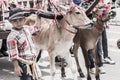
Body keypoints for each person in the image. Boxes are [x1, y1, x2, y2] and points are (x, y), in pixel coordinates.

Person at [7, 8, 40, 80]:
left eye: (20, 20)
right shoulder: (12, 37)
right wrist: (16, 67)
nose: (18, 23)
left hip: (32, 62)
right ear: (11, 22)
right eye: (15, 21)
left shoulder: (27, 28)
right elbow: (14, 55)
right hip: (23, 64)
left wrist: (38, 17)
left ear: (24, 20)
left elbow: (36, 28)